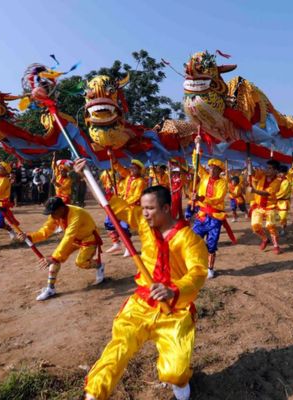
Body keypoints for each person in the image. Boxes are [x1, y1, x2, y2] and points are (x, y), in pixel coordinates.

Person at [75, 158, 208, 400]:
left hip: (174, 310)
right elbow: (113, 205)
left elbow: (198, 273)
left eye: (150, 209)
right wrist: (88, 175)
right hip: (141, 304)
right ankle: (93, 394)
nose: (144, 213)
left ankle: (182, 386)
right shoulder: (144, 225)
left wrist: (173, 290)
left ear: (166, 208)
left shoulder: (188, 238)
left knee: (175, 373)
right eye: (143, 208)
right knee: (120, 346)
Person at [20, 197, 105, 301]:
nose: (51, 216)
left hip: (88, 238)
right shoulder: (56, 215)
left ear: (61, 208)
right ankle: (50, 288)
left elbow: (69, 236)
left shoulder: (76, 214)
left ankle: (99, 265)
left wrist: (55, 257)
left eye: (53, 212)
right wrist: (31, 237)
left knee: (81, 262)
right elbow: (46, 229)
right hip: (74, 240)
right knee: (55, 260)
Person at [190, 136, 228, 279]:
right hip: (201, 216)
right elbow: (196, 164)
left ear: (220, 171)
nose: (211, 170)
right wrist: (197, 146)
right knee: (194, 240)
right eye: (210, 167)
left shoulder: (222, 184)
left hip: (215, 217)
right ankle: (195, 264)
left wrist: (201, 198)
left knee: (211, 243)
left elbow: (218, 198)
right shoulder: (204, 176)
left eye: (215, 168)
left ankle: (210, 268)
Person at [107, 159, 147, 257]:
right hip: (123, 205)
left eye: (134, 168)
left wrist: (124, 203)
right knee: (109, 221)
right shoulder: (128, 176)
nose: (132, 169)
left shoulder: (141, 181)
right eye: (131, 167)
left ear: (139, 170)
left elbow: (137, 196)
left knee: (124, 227)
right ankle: (116, 243)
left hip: (133, 208)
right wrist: (113, 159)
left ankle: (129, 248)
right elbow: (120, 169)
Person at [248, 160, 283, 254]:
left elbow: (267, 193)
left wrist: (254, 191)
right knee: (255, 226)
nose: (267, 170)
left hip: (271, 207)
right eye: (267, 167)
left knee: (270, 225)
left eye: (270, 168)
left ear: (276, 171)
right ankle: (265, 239)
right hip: (258, 206)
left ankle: (276, 245)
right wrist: (249, 163)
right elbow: (253, 173)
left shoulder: (277, 181)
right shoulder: (262, 175)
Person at [276, 165, 292, 236]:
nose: (280, 174)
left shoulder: (286, 182)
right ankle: (284, 226)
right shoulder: (278, 180)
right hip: (278, 202)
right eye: (279, 172)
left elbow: (282, 193)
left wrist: (272, 196)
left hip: (284, 202)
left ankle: (283, 230)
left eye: (282, 172)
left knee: (282, 216)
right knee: (280, 217)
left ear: (285, 173)